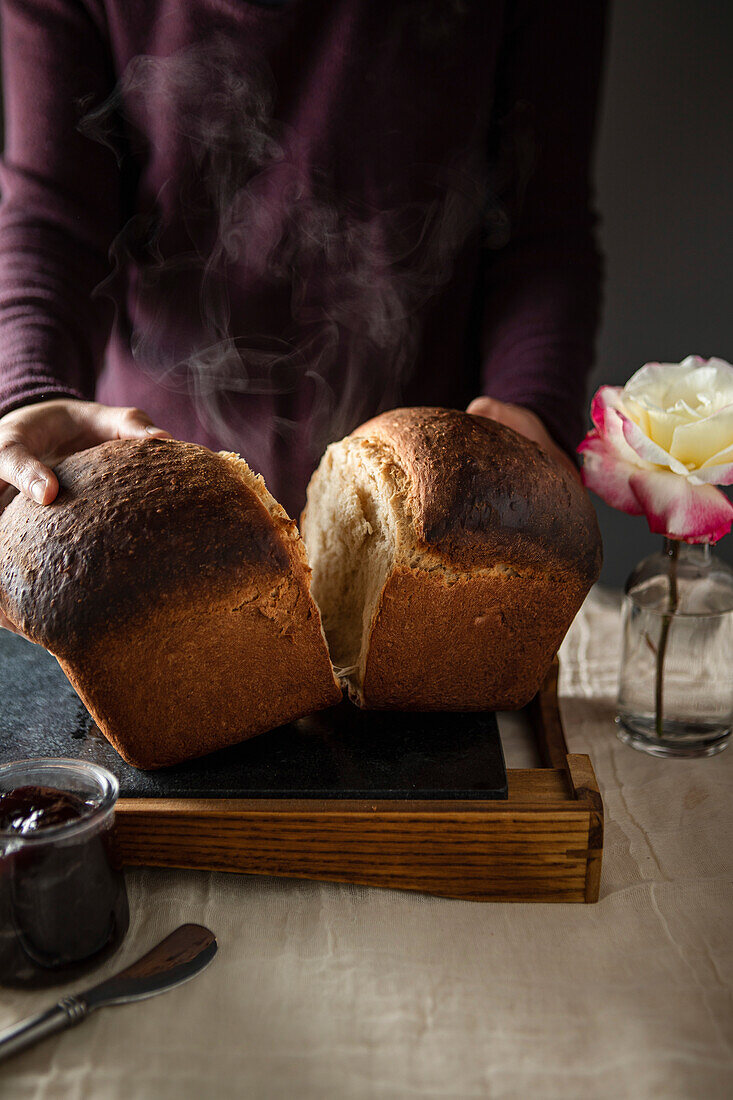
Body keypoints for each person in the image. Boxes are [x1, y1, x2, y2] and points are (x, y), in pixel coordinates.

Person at [0, 0, 607, 634]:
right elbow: (53, 220)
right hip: (151, 484)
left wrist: (530, 409)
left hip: (434, 527)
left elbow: (539, 229)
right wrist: (30, 390)